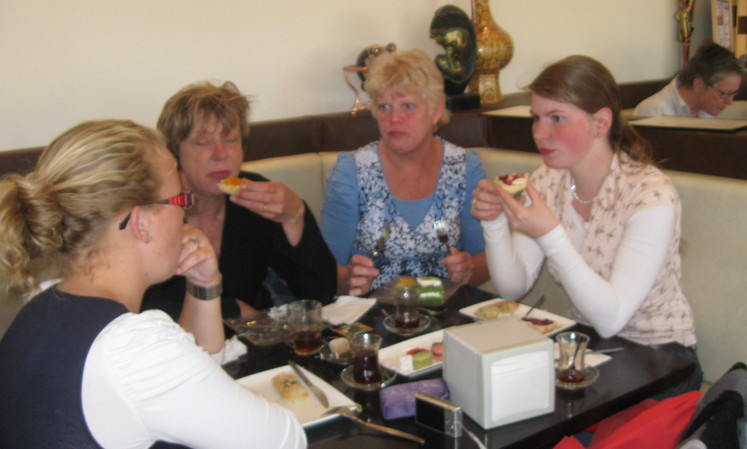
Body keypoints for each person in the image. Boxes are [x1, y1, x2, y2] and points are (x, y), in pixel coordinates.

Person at [0, 120, 306, 448]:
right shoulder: (131, 348)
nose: (185, 215)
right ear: (141, 223)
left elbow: (193, 378)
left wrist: (204, 286)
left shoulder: (45, 302)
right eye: (179, 200)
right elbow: (283, 441)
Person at [472, 55, 702, 396]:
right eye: (536, 118)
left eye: (556, 118)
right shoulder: (548, 180)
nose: (539, 133)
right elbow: (512, 287)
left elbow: (612, 318)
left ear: (601, 123)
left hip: (661, 357)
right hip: (588, 347)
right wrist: (493, 224)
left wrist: (550, 235)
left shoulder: (650, 194)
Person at [143, 81, 336, 320]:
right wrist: (233, 310)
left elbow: (321, 294)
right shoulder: (155, 209)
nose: (221, 154)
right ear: (175, 151)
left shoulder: (254, 198)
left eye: (231, 140)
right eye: (202, 142)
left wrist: (296, 217)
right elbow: (140, 306)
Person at [321, 49, 489, 296]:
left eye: (408, 106)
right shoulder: (351, 172)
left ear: (435, 111)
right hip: (373, 311)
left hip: (446, 306)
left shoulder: (465, 168)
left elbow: (486, 261)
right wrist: (350, 280)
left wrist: (468, 270)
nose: (394, 118)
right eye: (384, 107)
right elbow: (324, 272)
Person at [633, 42, 745, 118]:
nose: (730, 102)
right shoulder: (652, 112)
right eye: (724, 94)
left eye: (733, 94)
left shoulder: (707, 110)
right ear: (699, 85)